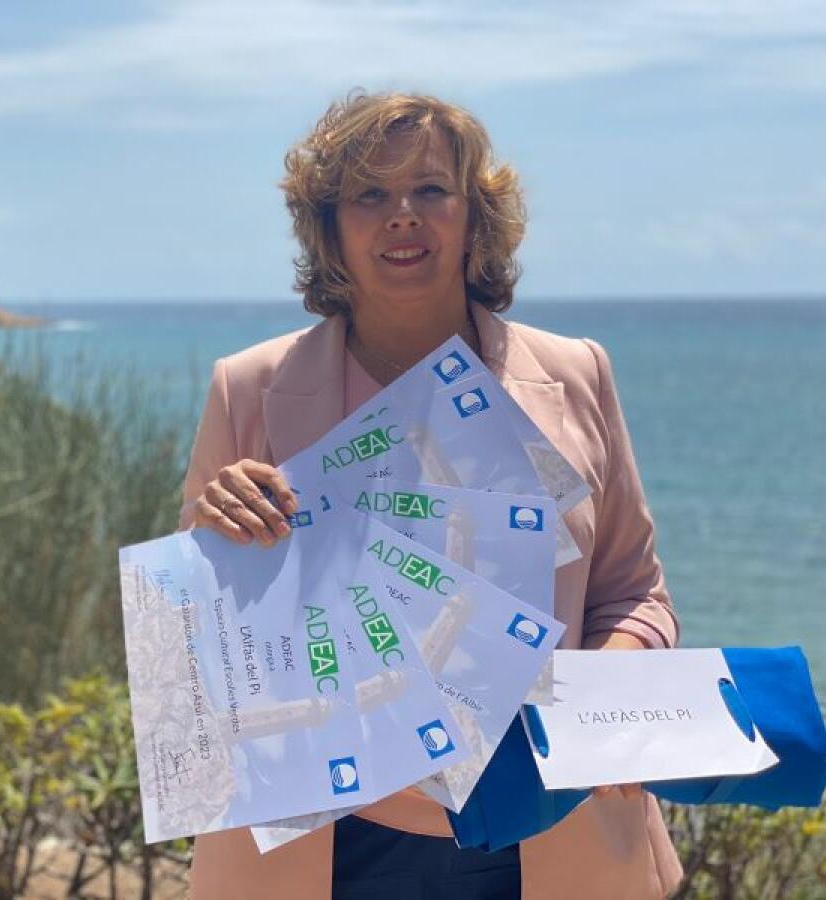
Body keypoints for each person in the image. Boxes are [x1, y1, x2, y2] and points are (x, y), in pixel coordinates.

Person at [178, 91, 681, 899]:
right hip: (328, 847)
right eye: (370, 194)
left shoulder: (576, 372)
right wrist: (211, 531)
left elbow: (635, 595)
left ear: (474, 216)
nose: (402, 215)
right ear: (330, 228)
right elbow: (204, 646)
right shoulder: (249, 389)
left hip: (551, 824)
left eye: (430, 190)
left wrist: (603, 707)